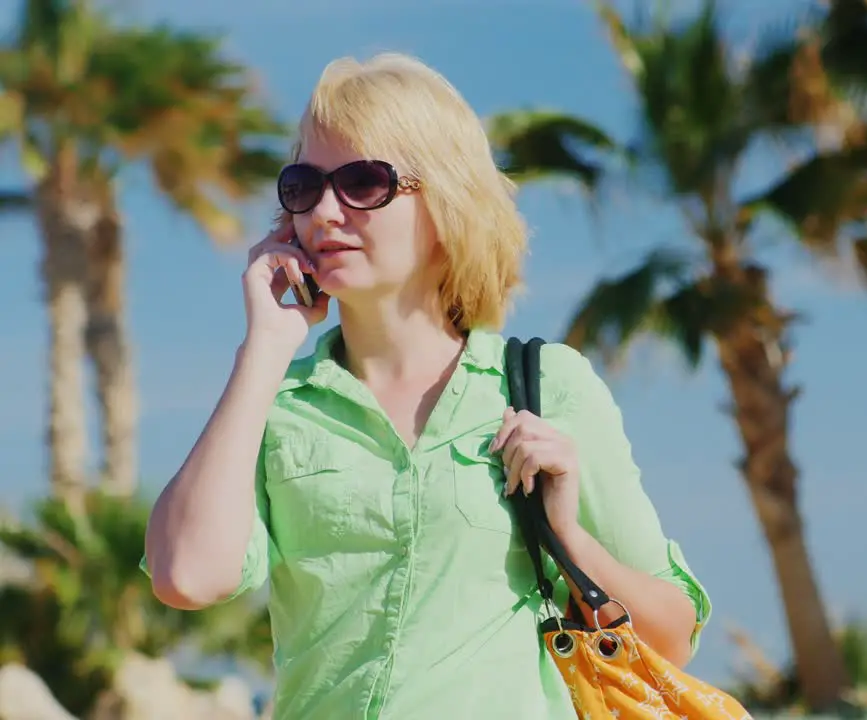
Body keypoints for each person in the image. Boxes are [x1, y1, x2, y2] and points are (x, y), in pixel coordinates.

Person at [141, 53, 711, 720]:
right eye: (302, 186)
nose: (325, 211)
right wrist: (265, 347)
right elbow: (187, 576)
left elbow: (671, 636)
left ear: (446, 202)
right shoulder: (277, 404)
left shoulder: (545, 386)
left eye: (362, 182)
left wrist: (569, 538)